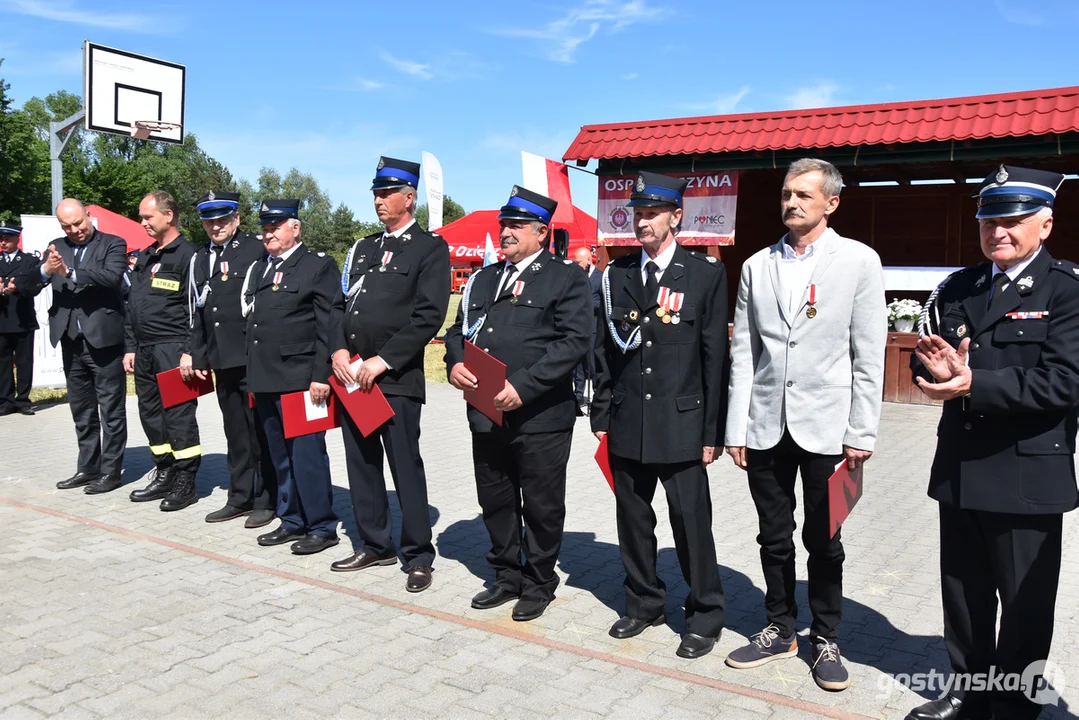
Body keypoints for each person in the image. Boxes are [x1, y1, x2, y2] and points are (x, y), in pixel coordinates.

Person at [907, 166, 1077, 720]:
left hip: (1027, 474)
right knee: (963, 592)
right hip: (962, 465)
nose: (998, 231)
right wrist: (933, 375)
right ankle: (966, 687)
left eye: (1014, 220)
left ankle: (1013, 703)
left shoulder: (1067, 290)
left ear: (1046, 224)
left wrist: (974, 381)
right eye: (989, 220)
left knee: (1025, 603)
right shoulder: (960, 286)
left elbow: (1066, 381)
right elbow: (928, 353)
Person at [723, 158, 886, 689]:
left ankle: (826, 637)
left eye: (804, 195)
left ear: (831, 203)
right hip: (766, 424)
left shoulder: (859, 261)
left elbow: (869, 354)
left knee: (826, 539)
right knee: (773, 537)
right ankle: (779, 627)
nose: (791, 202)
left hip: (829, 428)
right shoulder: (755, 265)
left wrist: (861, 433)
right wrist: (736, 427)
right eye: (787, 193)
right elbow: (744, 353)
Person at [590, 171, 728, 659]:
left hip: (683, 422)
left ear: (676, 216)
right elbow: (603, 350)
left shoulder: (704, 274)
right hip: (628, 419)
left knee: (691, 523)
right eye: (637, 213)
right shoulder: (616, 275)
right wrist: (601, 413)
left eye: (652, 213)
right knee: (632, 519)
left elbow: (715, 357)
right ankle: (644, 602)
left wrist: (714, 431)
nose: (642, 222)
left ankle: (705, 614)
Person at [444, 186, 591, 621]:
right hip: (486, 411)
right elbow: (458, 331)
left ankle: (539, 581)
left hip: (540, 414)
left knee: (542, 504)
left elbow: (574, 342)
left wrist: (524, 386)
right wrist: (454, 363)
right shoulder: (483, 278)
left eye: (515, 226)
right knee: (496, 497)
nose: (505, 232)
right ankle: (506, 575)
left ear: (541, 232)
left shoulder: (565, 278)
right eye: (503, 225)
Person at [329, 157, 450, 592]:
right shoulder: (362, 248)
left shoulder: (429, 248)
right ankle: (374, 543)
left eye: (386, 194)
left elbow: (428, 315)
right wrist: (339, 348)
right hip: (353, 377)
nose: (379, 201)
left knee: (405, 468)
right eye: (375, 194)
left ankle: (418, 555)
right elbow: (340, 307)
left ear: (409, 197)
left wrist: (384, 360)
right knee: (361, 465)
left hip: (393, 380)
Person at [244, 199, 341, 555]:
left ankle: (321, 525)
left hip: (302, 380)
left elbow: (328, 324)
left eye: (276, 226)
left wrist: (321, 375)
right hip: (267, 379)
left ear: (295, 228)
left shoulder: (317, 266)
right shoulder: (261, 268)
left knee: (306, 455)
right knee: (279, 456)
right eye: (265, 228)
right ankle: (292, 519)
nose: (269, 233)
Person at [183, 191, 276, 528]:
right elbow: (196, 310)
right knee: (235, 432)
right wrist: (196, 352)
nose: (216, 226)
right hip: (221, 357)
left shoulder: (255, 249)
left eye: (222, 219)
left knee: (259, 431)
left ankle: (267, 499)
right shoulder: (198, 259)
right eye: (209, 220)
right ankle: (239, 497)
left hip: (252, 356)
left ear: (236, 218)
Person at [123, 191, 202, 512]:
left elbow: (198, 308)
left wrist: (190, 350)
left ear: (168, 216)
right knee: (151, 414)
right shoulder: (145, 256)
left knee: (179, 415)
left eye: (147, 217)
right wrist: (129, 346)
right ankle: (165, 471)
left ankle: (186, 481)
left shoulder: (189, 256)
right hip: (143, 350)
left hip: (173, 349)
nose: (142, 222)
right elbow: (133, 305)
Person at [43, 200, 129, 494]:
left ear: (89, 216)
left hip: (104, 341)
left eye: (78, 223)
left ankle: (111, 472)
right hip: (71, 340)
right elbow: (32, 284)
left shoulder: (113, 244)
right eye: (66, 226)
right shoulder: (56, 246)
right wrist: (45, 270)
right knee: (82, 410)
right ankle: (87, 467)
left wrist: (70, 273)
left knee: (111, 411)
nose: (74, 230)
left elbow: (112, 277)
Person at [0, 221, 44, 416]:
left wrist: (18, 288)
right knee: (3, 362)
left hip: (22, 317)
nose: (3, 242)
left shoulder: (29, 261)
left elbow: (36, 286)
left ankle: (23, 400)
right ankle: (6, 400)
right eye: (1, 239)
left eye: (8, 238)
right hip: (2, 318)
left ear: (17, 239)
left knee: (25, 361)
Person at [570, 246, 602, 416]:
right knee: (578, 367)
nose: (576, 265)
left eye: (578, 262)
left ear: (588, 261)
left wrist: (588, 303)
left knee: (592, 365)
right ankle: (579, 396)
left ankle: (597, 398)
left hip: (594, 330)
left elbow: (604, 304)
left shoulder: (600, 277)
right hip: (578, 330)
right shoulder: (577, 277)